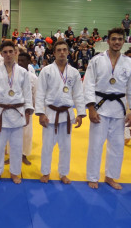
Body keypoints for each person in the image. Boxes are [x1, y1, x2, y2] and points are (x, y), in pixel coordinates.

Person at [83, 27, 131, 190]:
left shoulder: (129, 63)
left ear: (123, 41)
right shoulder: (96, 60)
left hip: (119, 110)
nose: (116, 42)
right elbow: (88, 85)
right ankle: (93, 176)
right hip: (100, 107)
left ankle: (110, 176)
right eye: (113, 39)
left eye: (120, 39)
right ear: (107, 41)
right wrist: (91, 108)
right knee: (96, 144)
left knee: (117, 146)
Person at [36, 41, 86, 184]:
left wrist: (81, 113)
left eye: (64, 50)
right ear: (54, 53)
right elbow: (40, 93)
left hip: (67, 114)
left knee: (66, 147)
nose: (62, 52)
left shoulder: (74, 72)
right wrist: (40, 113)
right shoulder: (46, 71)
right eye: (59, 50)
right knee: (47, 146)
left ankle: (63, 173)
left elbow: (78, 94)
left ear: (68, 52)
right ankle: (45, 172)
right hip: (50, 113)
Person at [0, 40, 34, 184]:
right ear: (1, 54)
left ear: (15, 53)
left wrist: (27, 112)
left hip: (18, 112)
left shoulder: (24, 72)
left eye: (10, 51)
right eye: (5, 52)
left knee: (17, 146)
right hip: (1, 113)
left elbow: (27, 93)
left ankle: (15, 172)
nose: (8, 54)